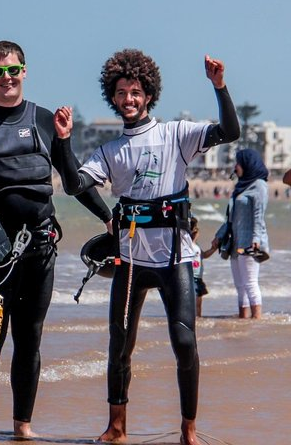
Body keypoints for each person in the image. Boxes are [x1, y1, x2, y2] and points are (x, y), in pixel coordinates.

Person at [54, 49, 240, 445]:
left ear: (148, 94)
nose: (129, 99)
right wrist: (64, 143)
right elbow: (73, 185)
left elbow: (230, 132)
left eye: (136, 92)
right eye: (121, 92)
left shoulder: (176, 134)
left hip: (176, 258)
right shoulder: (109, 151)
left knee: (185, 342)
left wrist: (219, 87)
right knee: (119, 345)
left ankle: (188, 429)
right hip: (130, 261)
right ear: (113, 97)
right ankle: (116, 427)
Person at [0, 40, 113, 439]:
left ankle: (23, 427)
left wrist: (108, 218)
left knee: (29, 339)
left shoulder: (43, 120)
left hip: (39, 248)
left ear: (25, 71)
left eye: (14, 70)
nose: (8, 78)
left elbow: (73, 182)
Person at [212, 149, 269, 319]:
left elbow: (259, 214)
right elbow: (230, 217)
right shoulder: (240, 187)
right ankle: (243, 321)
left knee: (250, 284)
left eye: (238, 163)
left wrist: (256, 239)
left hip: (249, 243)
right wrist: (219, 235)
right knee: (240, 285)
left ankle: (257, 321)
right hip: (235, 243)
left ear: (247, 164)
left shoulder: (259, 185)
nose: (235, 166)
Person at [189, 216, 215, 317]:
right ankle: (194, 317)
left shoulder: (197, 246)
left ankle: (198, 318)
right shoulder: (187, 245)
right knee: (194, 302)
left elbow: (203, 255)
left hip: (198, 278)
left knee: (199, 303)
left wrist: (213, 249)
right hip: (192, 277)